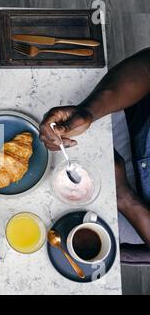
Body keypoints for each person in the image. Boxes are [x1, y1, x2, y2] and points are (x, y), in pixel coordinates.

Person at [39, 47, 150, 247]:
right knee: (56, 92)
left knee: (52, 214)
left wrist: (124, 196)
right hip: (134, 126)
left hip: (137, 210)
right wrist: (88, 112)